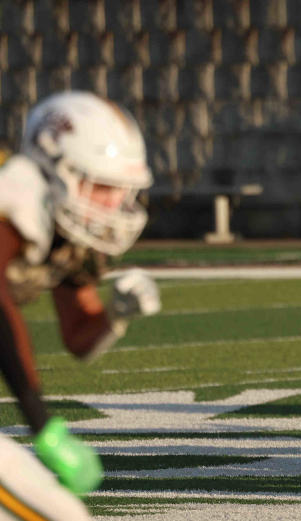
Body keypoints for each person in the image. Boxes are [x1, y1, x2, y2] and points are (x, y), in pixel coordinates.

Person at [0, 92, 161, 517]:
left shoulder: (55, 220)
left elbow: (78, 336)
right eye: (105, 186)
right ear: (60, 169)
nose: (116, 204)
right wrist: (44, 426)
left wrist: (116, 317)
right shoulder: (12, 192)